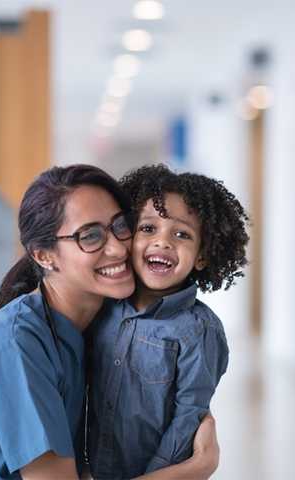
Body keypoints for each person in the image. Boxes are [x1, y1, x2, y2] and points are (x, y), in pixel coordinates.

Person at [0, 164, 220, 479]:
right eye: (89, 236)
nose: (118, 247)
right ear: (43, 255)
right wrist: (195, 469)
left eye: (121, 226)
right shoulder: (17, 344)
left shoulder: (97, 329)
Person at [87, 164, 250, 479]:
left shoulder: (199, 330)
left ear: (201, 256)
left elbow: (187, 419)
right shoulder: (103, 307)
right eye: (148, 229)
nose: (163, 242)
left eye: (182, 234)